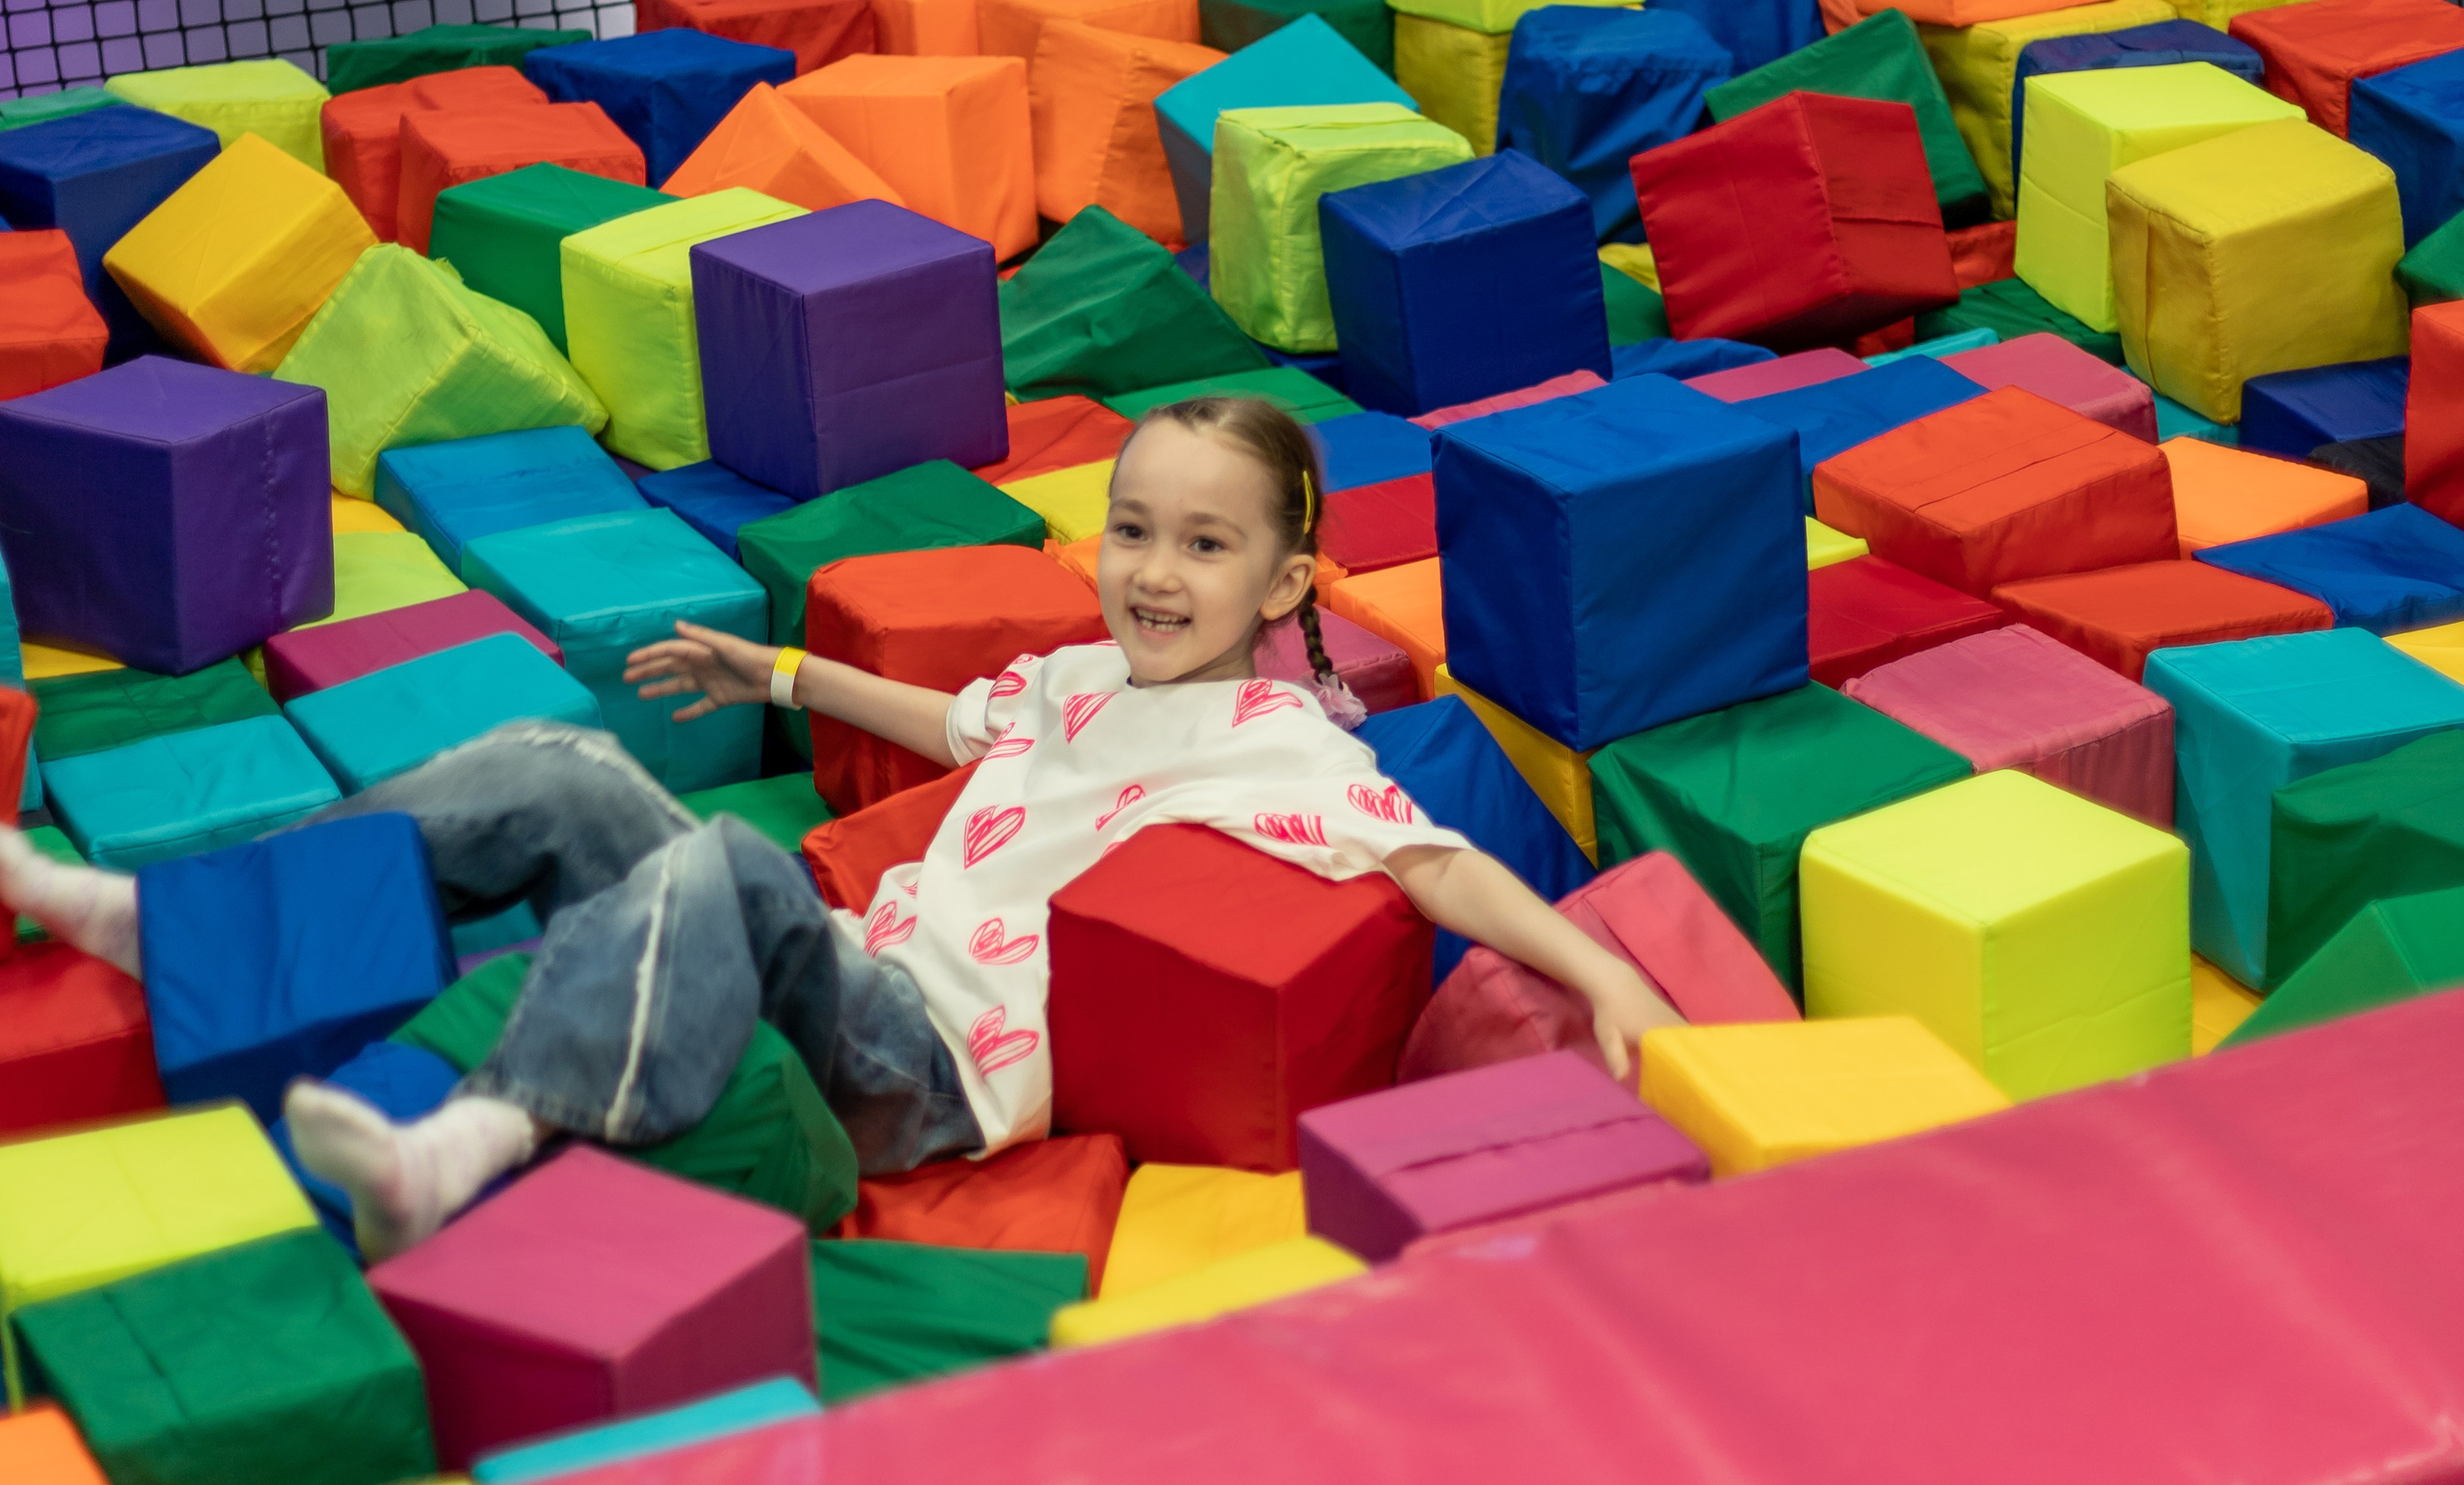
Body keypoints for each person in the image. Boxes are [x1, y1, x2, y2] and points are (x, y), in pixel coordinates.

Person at [0, 397, 1680, 1259]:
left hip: (933, 1080)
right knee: (550, 761)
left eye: (1209, 549)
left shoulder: (1284, 746)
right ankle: (183, 921)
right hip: (861, 979)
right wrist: (778, 669)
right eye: (1134, 533)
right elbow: (950, 723)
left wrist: (1601, 978)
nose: (1157, 575)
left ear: (1290, 580)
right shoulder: (1080, 676)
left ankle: (480, 1140)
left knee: (725, 861)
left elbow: (1432, 862)